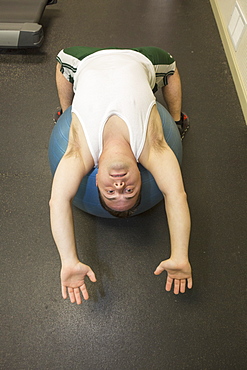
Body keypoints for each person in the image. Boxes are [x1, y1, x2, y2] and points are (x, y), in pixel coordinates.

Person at [50, 46, 192, 305]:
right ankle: (177, 120)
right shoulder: (153, 149)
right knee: (170, 66)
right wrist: (180, 255)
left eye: (110, 192)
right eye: (129, 191)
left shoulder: (79, 154)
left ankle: (64, 111)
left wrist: (69, 260)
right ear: (142, 175)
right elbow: (176, 195)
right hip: (140, 58)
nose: (119, 184)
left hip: (86, 60)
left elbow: (57, 202)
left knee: (61, 62)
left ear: (95, 181)